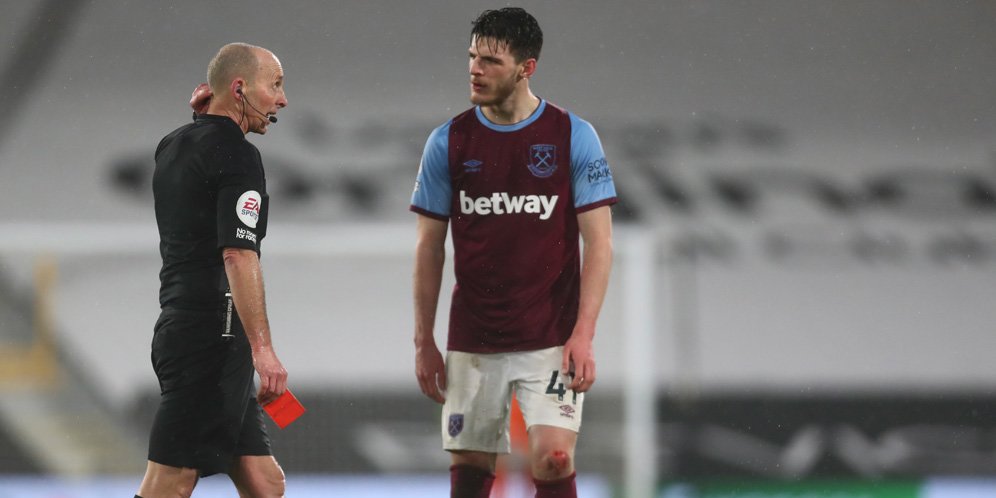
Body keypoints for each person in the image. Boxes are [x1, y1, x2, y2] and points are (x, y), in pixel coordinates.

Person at [410, 8, 617, 498]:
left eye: (490, 61)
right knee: (471, 472)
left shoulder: (572, 135)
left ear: (527, 68)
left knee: (554, 456)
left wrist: (584, 334)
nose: (474, 70)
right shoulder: (449, 141)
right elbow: (428, 248)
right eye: (471, 58)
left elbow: (601, 242)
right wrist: (423, 340)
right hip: (474, 338)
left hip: (550, 335)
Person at [136, 42, 289, 498]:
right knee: (171, 482)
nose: (282, 99)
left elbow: (197, 178)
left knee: (265, 482)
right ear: (239, 89)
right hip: (212, 336)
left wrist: (206, 121)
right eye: (276, 85)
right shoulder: (239, 156)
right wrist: (264, 350)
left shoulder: (173, 144)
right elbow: (238, 254)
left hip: (189, 327)